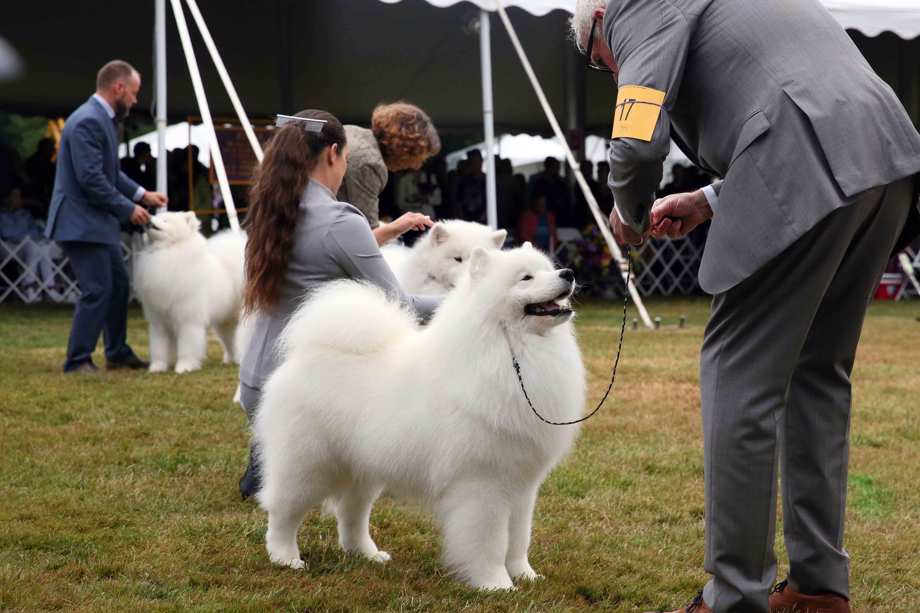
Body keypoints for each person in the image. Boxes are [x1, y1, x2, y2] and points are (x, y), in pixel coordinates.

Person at [571, 1, 920, 612]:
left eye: (598, 61)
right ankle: (818, 587)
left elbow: (635, 143)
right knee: (819, 373)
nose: (607, 67)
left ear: (596, 19)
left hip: (806, 158)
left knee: (737, 374)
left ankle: (734, 596)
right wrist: (708, 199)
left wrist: (627, 216)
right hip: (887, 158)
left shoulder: (627, 6)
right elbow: (803, 101)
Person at [238, 109, 442, 500]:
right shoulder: (339, 220)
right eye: (346, 159)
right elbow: (399, 306)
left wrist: (386, 231)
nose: (346, 166)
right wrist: (463, 302)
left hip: (254, 380)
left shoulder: (270, 210)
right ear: (333, 153)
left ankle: (266, 463)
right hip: (297, 391)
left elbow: (329, 247)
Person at [45, 60, 168, 373]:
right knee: (98, 289)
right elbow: (92, 180)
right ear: (119, 88)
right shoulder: (89, 120)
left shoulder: (100, 118)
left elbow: (109, 173)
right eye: (135, 93)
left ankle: (117, 351)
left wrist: (142, 195)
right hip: (80, 222)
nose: (136, 101)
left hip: (94, 222)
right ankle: (78, 360)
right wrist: (129, 209)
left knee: (118, 285)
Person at [338, 102, 441, 245]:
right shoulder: (370, 163)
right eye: (420, 157)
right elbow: (366, 241)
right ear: (406, 148)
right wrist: (401, 225)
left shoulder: (353, 131)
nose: (417, 166)